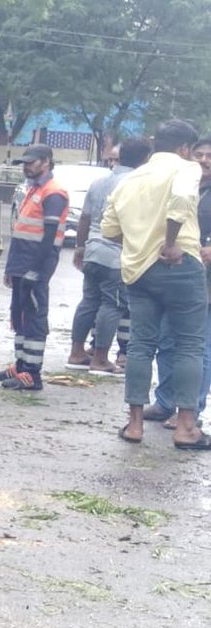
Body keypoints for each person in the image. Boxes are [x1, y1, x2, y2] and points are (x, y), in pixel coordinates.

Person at [100, 119, 207, 448]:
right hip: (180, 264)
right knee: (189, 345)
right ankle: (186, 427)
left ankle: (134, 425)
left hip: (139, 271)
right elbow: (182, 199)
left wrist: (140, 243)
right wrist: (169, 241)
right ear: (185, 148)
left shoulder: (130, 178)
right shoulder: (186, 168)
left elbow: (108, 229)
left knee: (140, 345)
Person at [65, 139, 151, 375]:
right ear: (145, 159)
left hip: (93, 250)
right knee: (112, 304)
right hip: (116, 253)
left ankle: (76, 352)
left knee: (89, 301)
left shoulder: (99, 182)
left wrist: (80, 247)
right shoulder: (139, 184)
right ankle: (101, 358)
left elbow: (84, 217)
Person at [0, 144, 69, 391]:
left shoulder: (53, 193)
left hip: (35, 264)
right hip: (22, 263)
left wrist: (35, 270)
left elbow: (49, 237)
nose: (26, 167)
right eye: (24, 163)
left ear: (46, 161)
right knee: (20, 316)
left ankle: (32, 374)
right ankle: (21, 366)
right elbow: (22, 231)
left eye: (31, 162)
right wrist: (11, 269)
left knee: (34, 317)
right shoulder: (34, 189)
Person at [143, 135, 211, 427]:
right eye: (199, 155)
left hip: (205, 281)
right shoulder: (182, 184)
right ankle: (165, 402)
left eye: (210, 156)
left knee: (198, 346)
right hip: (175, 274)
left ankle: (190, 409)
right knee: (167, 340)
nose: (204, 160)